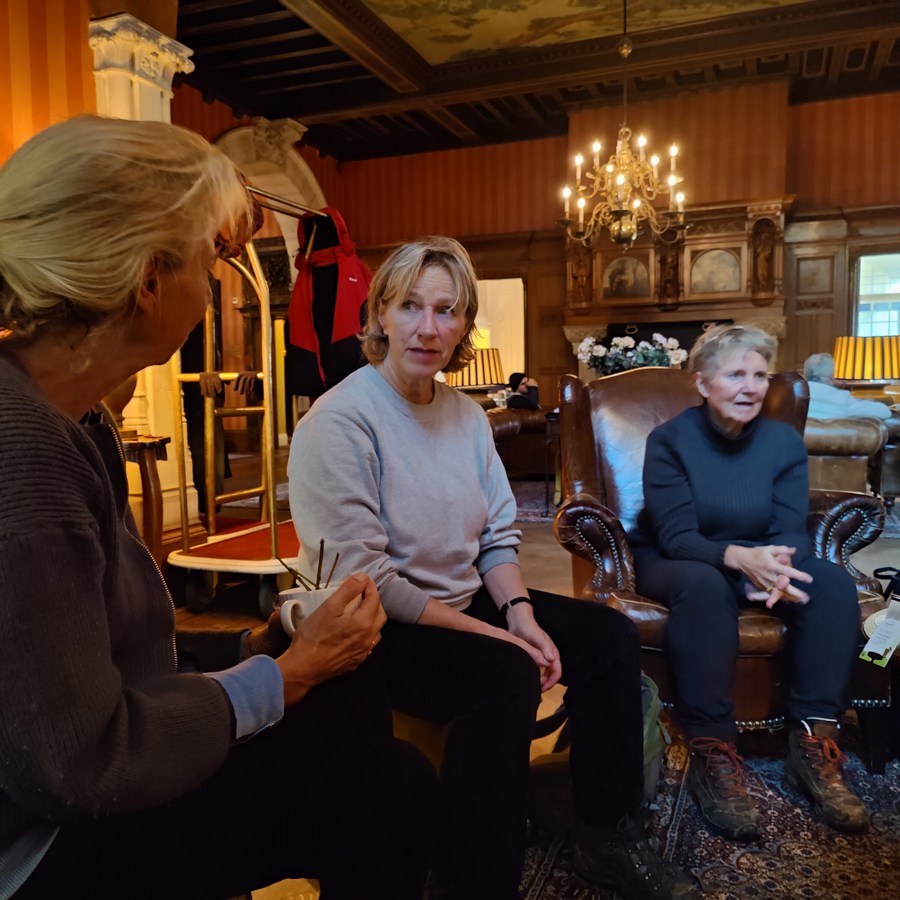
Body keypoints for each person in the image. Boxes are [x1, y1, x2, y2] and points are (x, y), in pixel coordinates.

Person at [0, 115, 438, 900]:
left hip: (85, 779)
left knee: (369, 745)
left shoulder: (72, 418)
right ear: (148, 280)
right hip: (40, 846)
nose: (213, 287)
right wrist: (287, 675)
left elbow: (111, 660)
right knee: (378, 767)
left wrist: (256, 645)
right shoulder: (24, 452)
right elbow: (80, 763)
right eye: (211, 258)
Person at [288, 236, 699, 900]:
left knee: (609, 638)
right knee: (506, 674)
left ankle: (605, 832)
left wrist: (520, 615)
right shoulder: (338, 421)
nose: (428, 327)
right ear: (380, 314)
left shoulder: (467, 417)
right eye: (411, 306)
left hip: (460, 602)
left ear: (464, 326)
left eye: (447, 311)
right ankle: (476, 882)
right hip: (373, 630)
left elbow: (496, 538)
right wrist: (500, 638)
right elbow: (372, 581)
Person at [629, 324, 870, 842]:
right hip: (680, 558)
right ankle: (712, 748)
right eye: (736, 374)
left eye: (759, 375)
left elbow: (790, 529)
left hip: (761, 555)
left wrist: (777, 569)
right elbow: (676, 536)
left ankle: (812, 740)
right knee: (705, 586)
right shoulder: (669, 440)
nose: (751, 387)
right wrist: (740, 561)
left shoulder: (783, 442)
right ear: (702, 383)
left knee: (831, 585)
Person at [804, 352, 892, 421]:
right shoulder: (842, 398)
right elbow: (884, 412)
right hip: (836, 439)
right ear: (832, 376)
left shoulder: (798, 393)